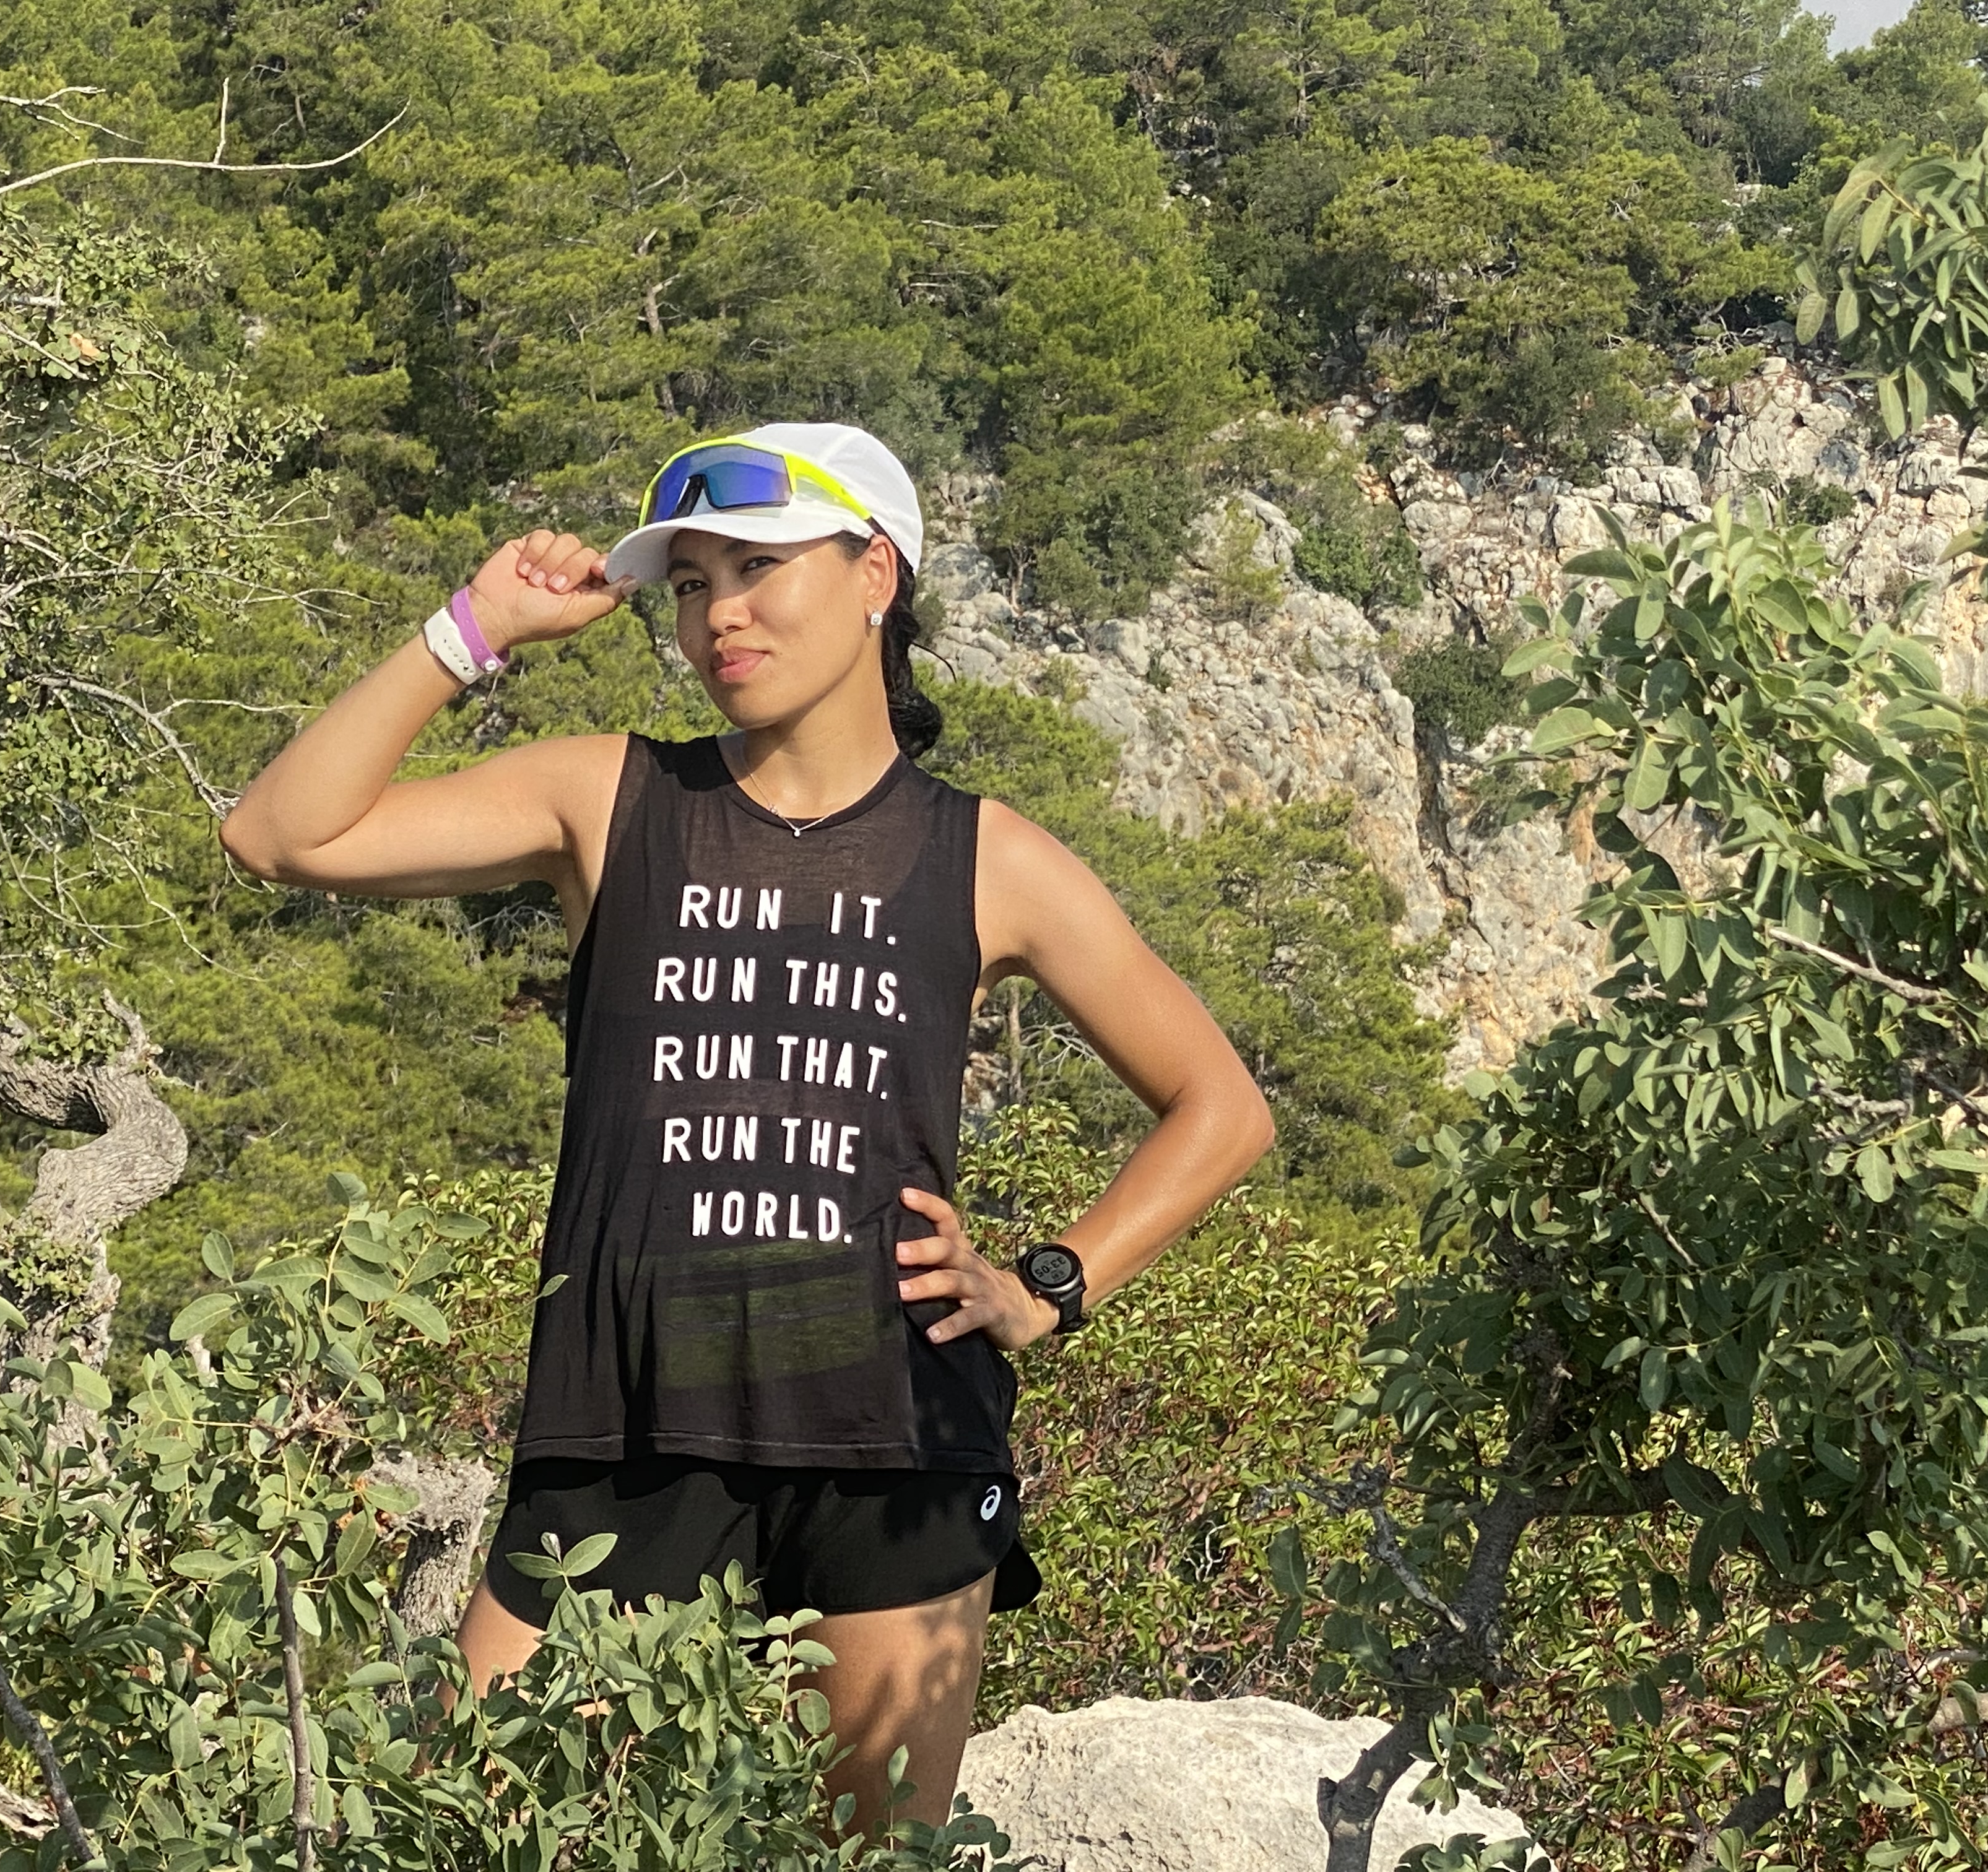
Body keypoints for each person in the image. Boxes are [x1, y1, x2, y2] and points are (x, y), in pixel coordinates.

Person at [218, 422, 1274, 1834]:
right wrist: (478, 628)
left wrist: (1045, 1287)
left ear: (875, 575)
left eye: (759, 568)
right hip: (623, 1425)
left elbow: (1221, 1109)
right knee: (479, 1835)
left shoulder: (987, 857)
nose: (720, 613)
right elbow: (281, 835)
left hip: (894, 1438)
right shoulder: (611, 800)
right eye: (692, 582)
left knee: (865, 1860)